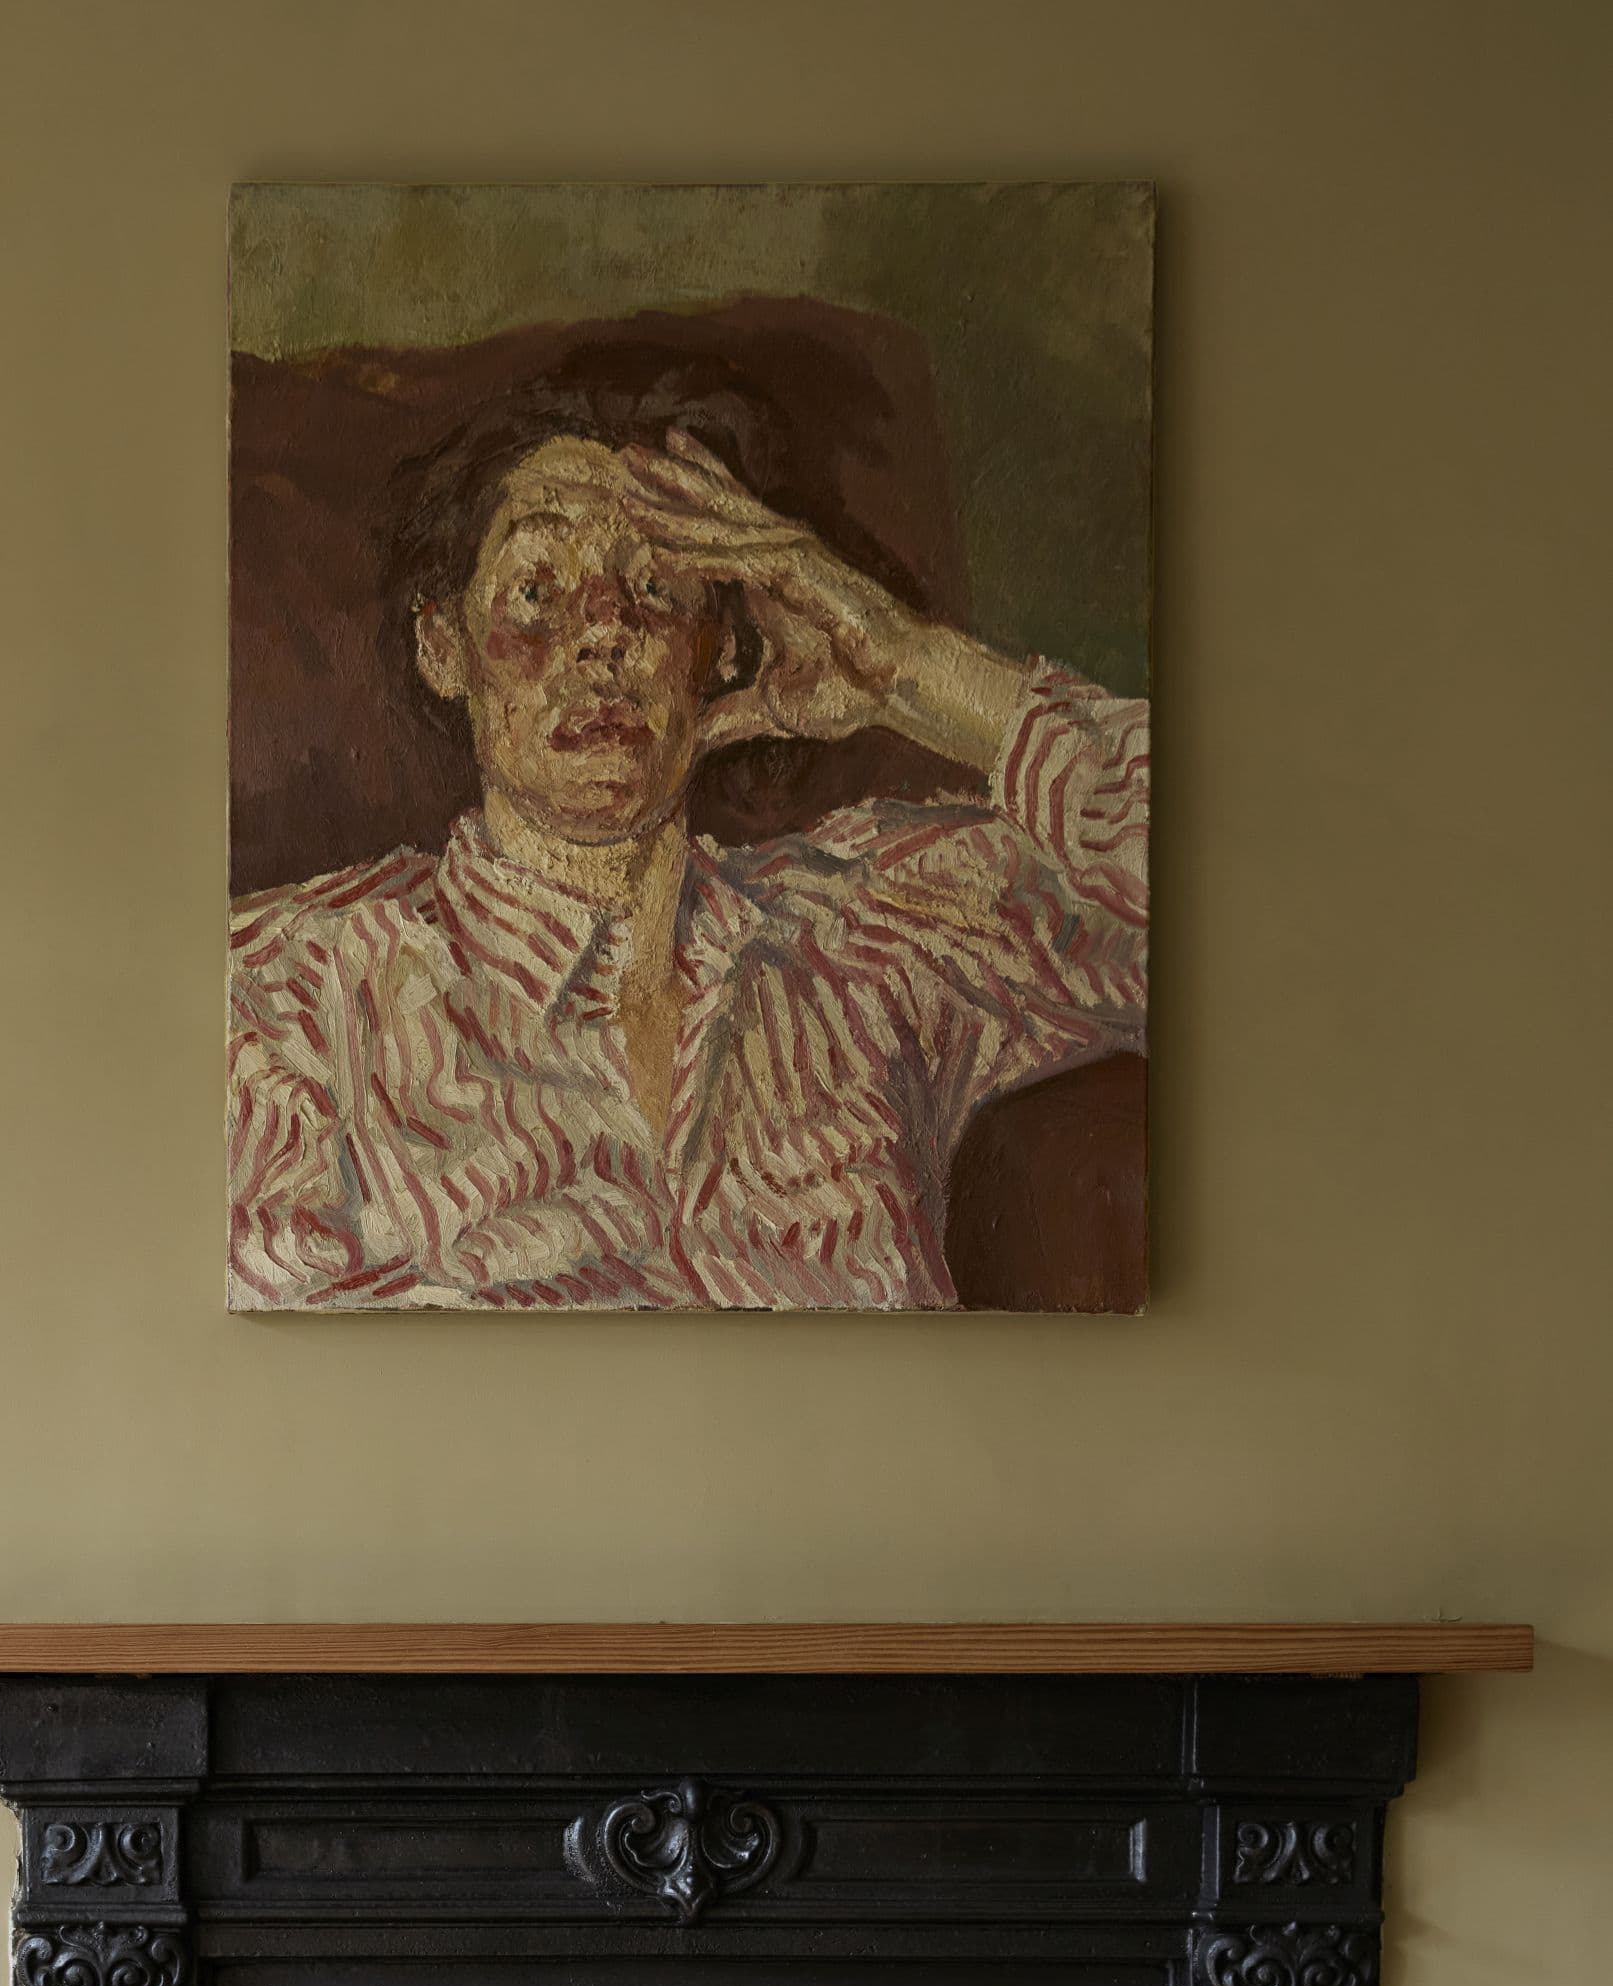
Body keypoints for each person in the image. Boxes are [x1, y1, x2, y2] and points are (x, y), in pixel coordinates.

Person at [227, 406, 1147, 1310]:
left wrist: (912, 670)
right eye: (537, 593)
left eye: (657, 591)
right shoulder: (293, 1000)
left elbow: (1219, 892)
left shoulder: (870, 926)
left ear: (722, 650)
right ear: (444, 648)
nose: (604, 631)